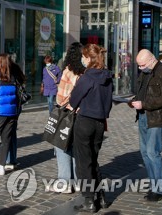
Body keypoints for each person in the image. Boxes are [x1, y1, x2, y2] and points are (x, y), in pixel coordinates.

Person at [69, 44, 113, 212]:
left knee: (83, 162)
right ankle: (100, 196)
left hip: (85, 121)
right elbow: (108, 103)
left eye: (84, 56)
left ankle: (89, 200)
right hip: (100, 122)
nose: (82, 59)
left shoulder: (87, 77)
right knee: (93, 160)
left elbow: (74, 100)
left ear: (88, 58)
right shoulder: (107, 77)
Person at [129, 49, 162, 202]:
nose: (140, 68)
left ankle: (159, 189)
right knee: (144, 152)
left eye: (142, 65)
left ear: (151, 60)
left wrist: (144, 104)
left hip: (157, 118)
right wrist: (133, 101)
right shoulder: (145, 73)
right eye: (139, 66)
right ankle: (153, 184)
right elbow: (141, 93)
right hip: (143, 116)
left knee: (152, 152)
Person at [48, 42, 85, 194]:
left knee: (61, 145)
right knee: (76, 146)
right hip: (82, 115)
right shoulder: (86, 71)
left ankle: (64, 181)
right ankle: (77, 181)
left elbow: (60, 98)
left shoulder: (68, 70)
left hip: (67, 113)